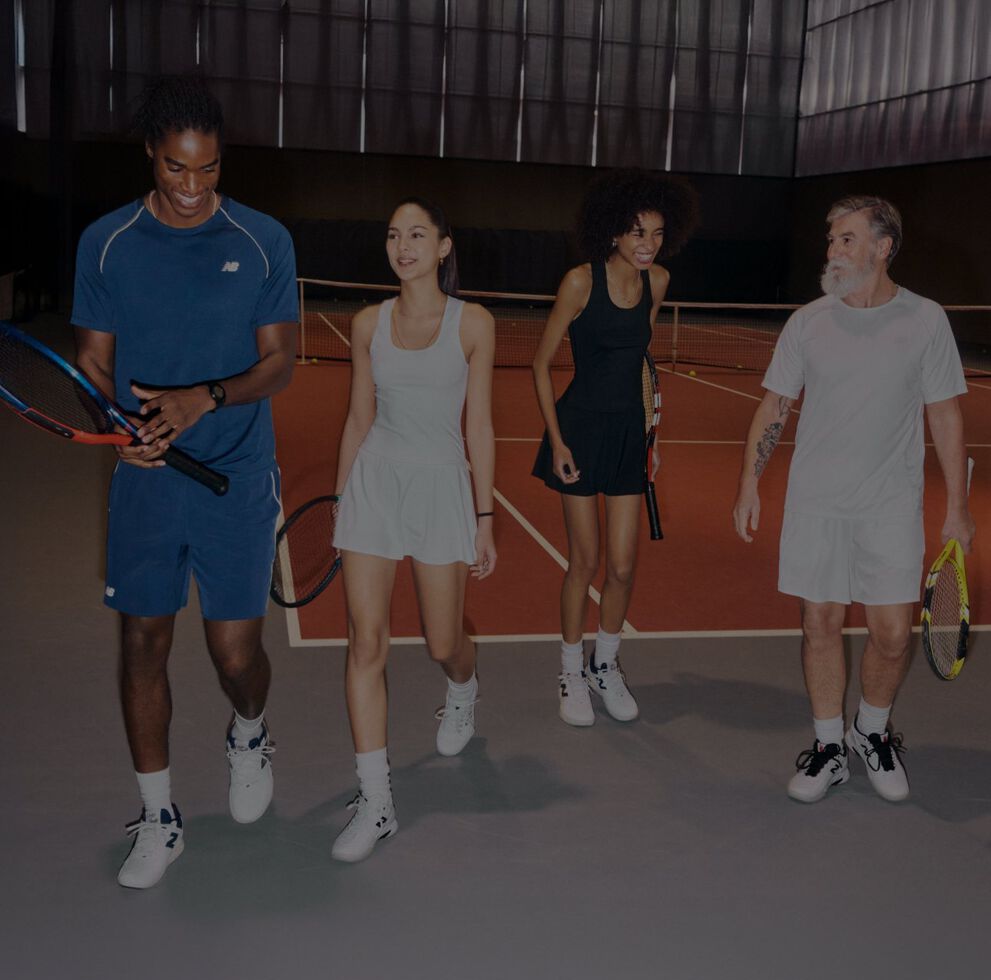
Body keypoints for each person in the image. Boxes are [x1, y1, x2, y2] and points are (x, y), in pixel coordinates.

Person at [72, 75, 298, 887]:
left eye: (207, 170)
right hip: (146, 480)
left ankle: (249, 730)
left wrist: (202, 397)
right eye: (176, 169)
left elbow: (279, 362)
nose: (194, 188)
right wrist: (117, 424)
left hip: (236, 474)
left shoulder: (265, 237)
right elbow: (94, 361)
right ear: (151, 155)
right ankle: (159, 813)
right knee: (143, 640)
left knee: (235, 653)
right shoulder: (106, 241)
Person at [732, 195, 974, 804]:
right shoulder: (808, 321)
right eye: (832, 239)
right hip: (817, 502)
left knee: (893, 633)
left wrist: (959, 507)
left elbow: (944, 414)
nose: (833, 249)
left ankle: (870, 730)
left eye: (846, 239)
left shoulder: (925, 319)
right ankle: (828, 747)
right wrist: (748, 483)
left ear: (883, 247)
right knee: (820, 621)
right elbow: (775, 406)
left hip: (891, 504)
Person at [330, 197, 496, 862]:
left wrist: (484, 517)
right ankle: (375, 798)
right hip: (374, 484)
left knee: (441, 640)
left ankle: (463, 685)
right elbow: (356, 417)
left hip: (439, 488)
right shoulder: (366, 322)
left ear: (443, 246)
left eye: (417, 233)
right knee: (364, 641)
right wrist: (342, 499)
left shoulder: (473, 324)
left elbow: (478, 426)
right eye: (394, 233)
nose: (403, 245)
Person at [531, 169, 698, 727]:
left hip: (629, 433)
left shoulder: (659, 282)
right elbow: (539, 363)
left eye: (655, 232)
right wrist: (556, 442)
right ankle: (570, 670)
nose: (647, 243)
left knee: (622, 567)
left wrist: (651, 438)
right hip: (578, 431)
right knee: (586, 560)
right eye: (636, 232)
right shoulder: (580, 282)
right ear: (612, 233)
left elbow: (640, 362)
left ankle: (606, 666)